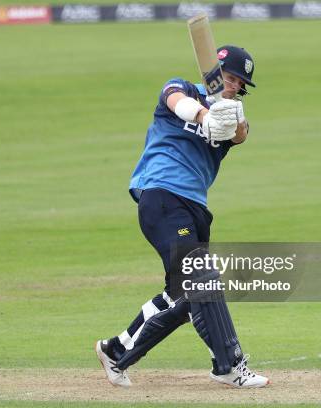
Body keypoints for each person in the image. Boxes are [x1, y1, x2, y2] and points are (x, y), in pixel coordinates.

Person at [95, 45, 270, 389]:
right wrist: (205, 115)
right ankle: (229, 365)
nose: (234, 85)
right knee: (202, 278)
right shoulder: (183, 89)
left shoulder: (233, 114)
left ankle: (116, 351)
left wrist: (227, 117)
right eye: (230, 78)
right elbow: (175, 100)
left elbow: (240, 134)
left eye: (240, 82)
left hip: (195, 208)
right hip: (161, 195)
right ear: (215, 73)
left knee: (183, 295)